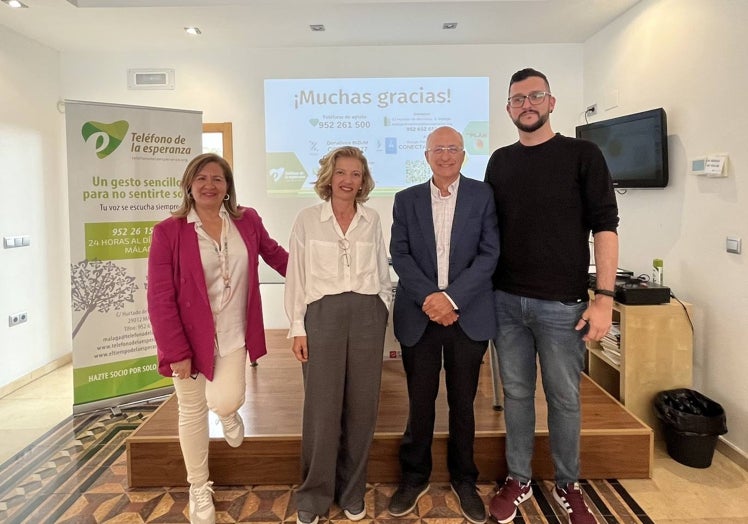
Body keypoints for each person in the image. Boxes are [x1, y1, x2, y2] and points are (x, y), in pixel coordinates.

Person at [484, 68, 619, 524]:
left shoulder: (583, 154)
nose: (527, 105)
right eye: (517, 99)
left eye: (534, 96)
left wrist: (604, 297)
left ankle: (568, 484)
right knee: (518, 394)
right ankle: (518, 477)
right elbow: (490, 232)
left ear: (551, 102)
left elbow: (605, 227)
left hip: (563, 305)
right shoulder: (499, 161)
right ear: (508, 109)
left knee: (564, 398)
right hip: (505, 302)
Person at [147, 153, 288, 524]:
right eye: (202, 178)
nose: (210, 185)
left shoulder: (247, 220)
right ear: (189, 185)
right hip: (188, 339)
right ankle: (198, 488)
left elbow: (277, 257)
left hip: (235, 331)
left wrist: (321, 277)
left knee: (226, 398)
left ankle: (227, 413)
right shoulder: (169, 231)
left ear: (228, 187)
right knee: (192, 411)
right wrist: (175, 351)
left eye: (218, 179)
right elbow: (159, 297)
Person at [387, 126, 500, 524]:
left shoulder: (483, 196)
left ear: (464, 155)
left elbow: (489, 255)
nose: (446, 155)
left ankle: (464, 479)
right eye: (439, 149)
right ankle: (414, 477)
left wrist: (451, 299)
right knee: (419, 403)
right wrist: (430, 300)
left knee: (463, 403)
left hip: (467, 314)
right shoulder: (406, 200)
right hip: (420, 316)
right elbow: (399, 255)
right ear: (427, 155)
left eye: (453, 148)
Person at [285, 146, 392, 524]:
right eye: (342, 172)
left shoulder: (372, 219)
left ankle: (352, 491)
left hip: (366, 315)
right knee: (322, 409)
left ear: (363, 181)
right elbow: (296, 276)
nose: (348, 180)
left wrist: (380, 309)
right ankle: (313, 496)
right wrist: (298, 326)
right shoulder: (307, 220)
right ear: (329, 176)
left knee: (363, 409)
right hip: (322, 316)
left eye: (356, 174)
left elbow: (381, 271)